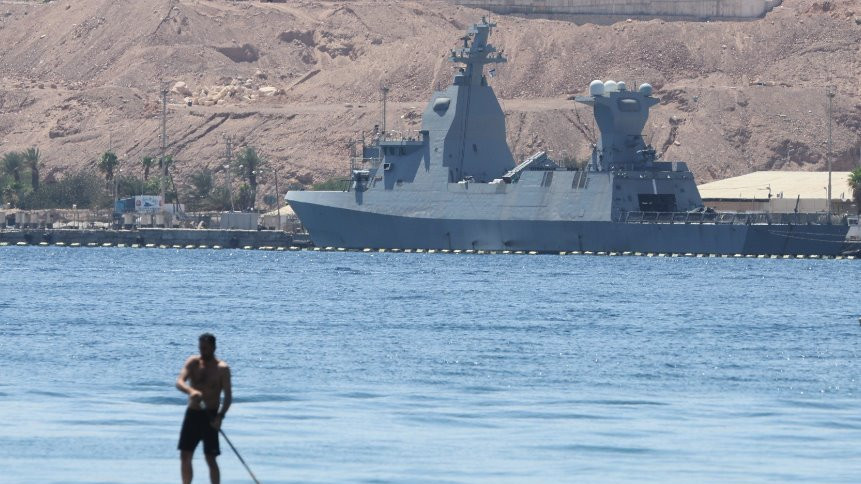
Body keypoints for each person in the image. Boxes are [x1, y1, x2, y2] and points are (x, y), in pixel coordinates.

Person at [176, 333, 232, 484]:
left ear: (214, 347)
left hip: (211, 416)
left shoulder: (222, 369)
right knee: (185, 455)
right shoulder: (193, 362)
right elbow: (180, 382)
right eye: (200, 348)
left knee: (210, 457)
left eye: (205, 348)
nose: (202, 351)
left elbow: (227, 397)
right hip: (193, 414)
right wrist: (191, 391)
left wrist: (220, 417)